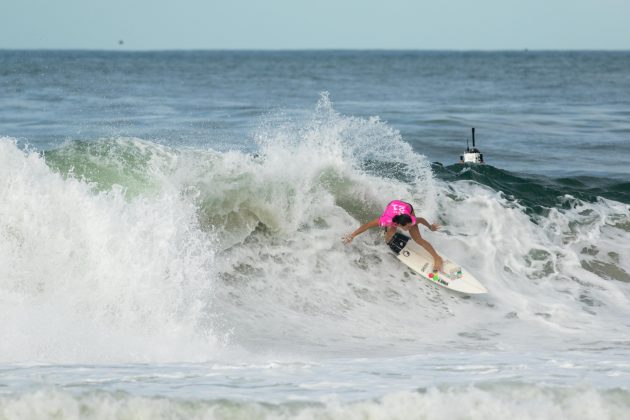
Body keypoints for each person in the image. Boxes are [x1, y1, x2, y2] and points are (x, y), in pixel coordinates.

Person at [342, 200, 444, 272]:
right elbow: (367, 226)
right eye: (407, 227)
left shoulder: (411, 220)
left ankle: (437, 258)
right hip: (392, 205)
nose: (409, 228)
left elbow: (421, 220)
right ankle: (388, 234)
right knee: (390, 232)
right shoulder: (385, 220)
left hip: (406, 207)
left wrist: (431, 227)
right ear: (399, 225)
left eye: (410, 226)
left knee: (418, 239)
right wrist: (352, 235)